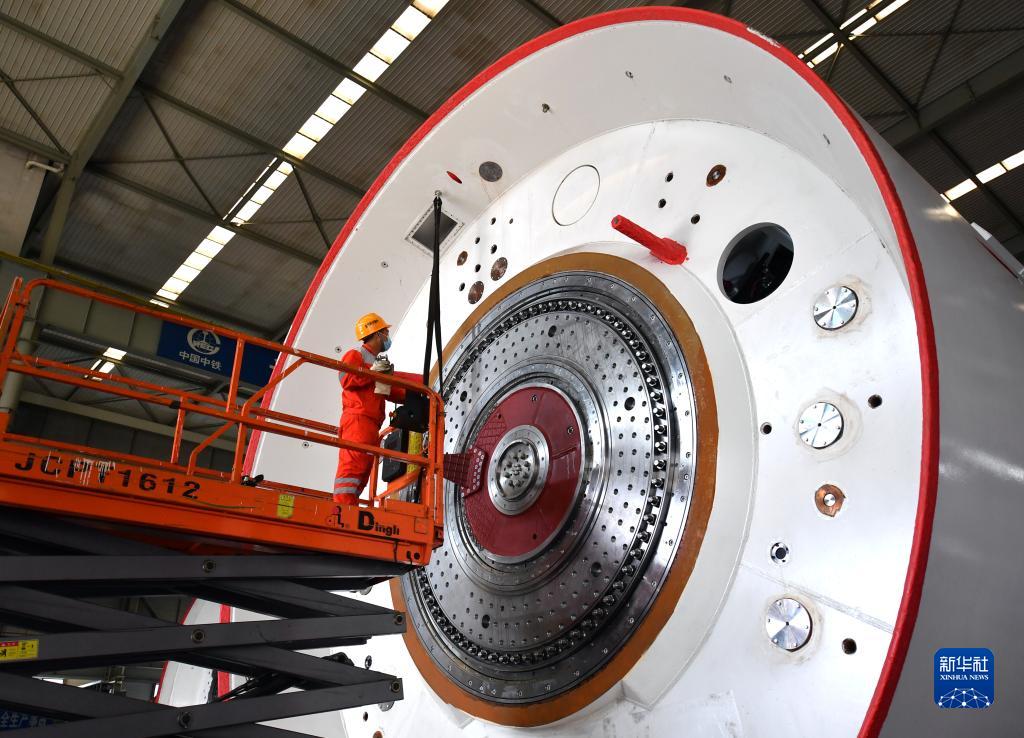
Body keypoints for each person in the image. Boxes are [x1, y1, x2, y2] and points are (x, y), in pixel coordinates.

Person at [334, 313, 420, 505]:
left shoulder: (376, 362)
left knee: (363, 470)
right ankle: (342, 509)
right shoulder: (356, 354)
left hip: (370, 424)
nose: (387, 337)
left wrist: (416, 391)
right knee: (352, 467)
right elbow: (345, 378)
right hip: (358, 420)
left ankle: (350, 507)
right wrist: (372, 373)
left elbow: (386, 390)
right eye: (385, 332)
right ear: (377, 333)